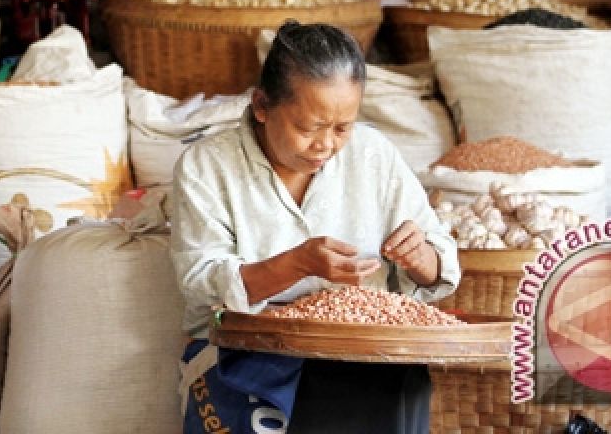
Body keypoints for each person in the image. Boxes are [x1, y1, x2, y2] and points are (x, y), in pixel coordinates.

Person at [171, 21, 460, 433]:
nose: (326, 144)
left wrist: (423, 258)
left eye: (342, 127)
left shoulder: (373, 155)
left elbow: (439, 262)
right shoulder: (207, 167)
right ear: (261, 106)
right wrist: (297, 264)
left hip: (365, 358)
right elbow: (199, 280)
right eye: (308, 128)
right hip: (247, 355)